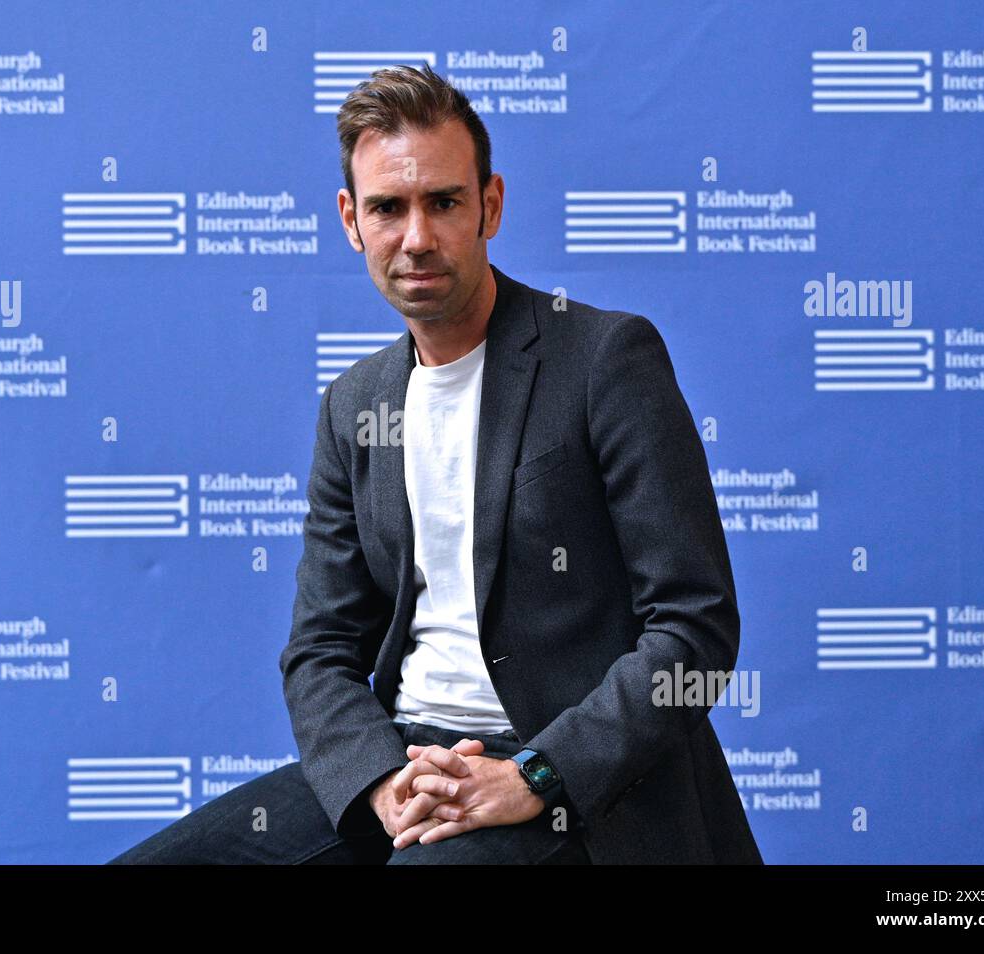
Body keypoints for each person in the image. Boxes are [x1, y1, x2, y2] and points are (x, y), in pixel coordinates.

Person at [108, 63, 762, 865]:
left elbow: (694, 627)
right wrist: (381, 782)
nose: (416, 237)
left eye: (443, 202)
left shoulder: (603, 359)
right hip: (405, 763)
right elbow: (320, 649)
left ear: (490, 205)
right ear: (351, 221)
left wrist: (538, 774)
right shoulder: (354, 407)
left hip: (567, 781)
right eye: (388, 207)